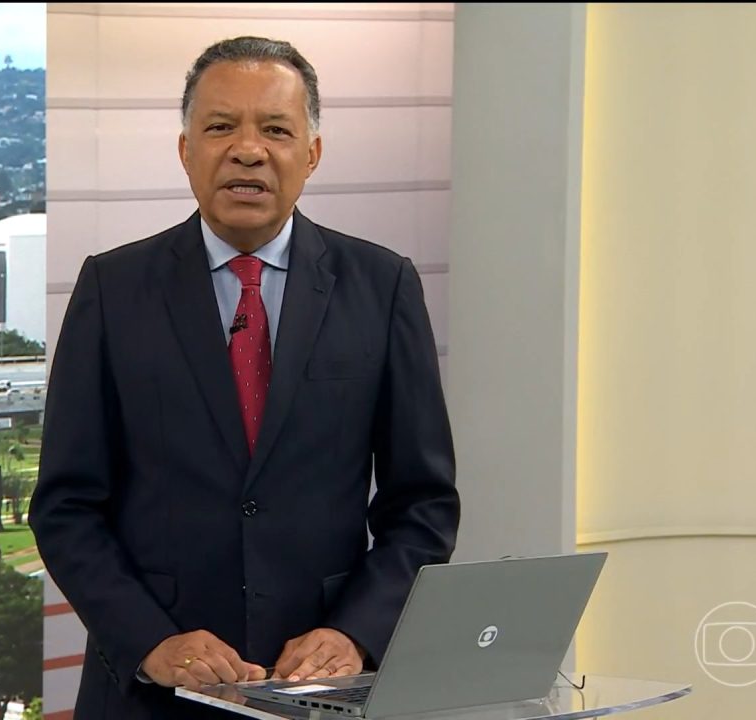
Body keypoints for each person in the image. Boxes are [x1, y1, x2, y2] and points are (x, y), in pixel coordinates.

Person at [31, 36, 459, 719]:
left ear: (312, 153)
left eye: (276, 130)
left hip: (319, 692)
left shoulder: (382, 288)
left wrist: (355, 633)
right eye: (221, 127)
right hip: (149, 696)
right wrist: (150, 641)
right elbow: (65, 506)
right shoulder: (114, 289)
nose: (248, 150)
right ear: (186, 150)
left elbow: (422, 505)